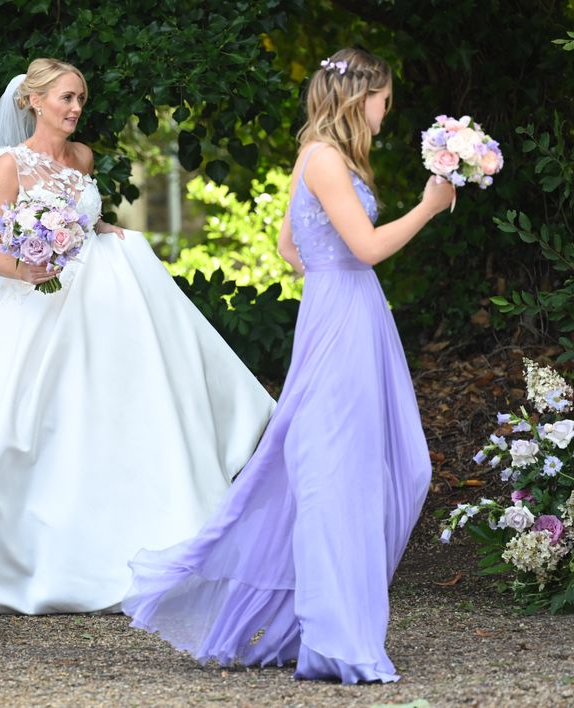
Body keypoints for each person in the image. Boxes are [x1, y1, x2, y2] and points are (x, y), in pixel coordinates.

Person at [121, 47, 456, 683]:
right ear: (360, 99)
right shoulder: (326, 158)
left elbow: (289, 248)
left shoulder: (321, 157)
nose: (389, 110)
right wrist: (428, 207)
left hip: (348, 312)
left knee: (381, 464)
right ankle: (336, 636)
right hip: (344, 317)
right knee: (338, 471)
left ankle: (318, 624)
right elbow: (367, 246)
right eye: (384, 98)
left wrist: (333, 276)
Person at [0, 58, 276, 615]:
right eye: (66, 98)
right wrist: (27, 269)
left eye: (81, 98)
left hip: (103, 298)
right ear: (34, 101)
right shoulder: (12, 164)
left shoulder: (82, 157)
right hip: (42, 298)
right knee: (38, 420)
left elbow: (85, 221)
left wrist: (110, 232)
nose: (76, 108)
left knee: (126, 402)